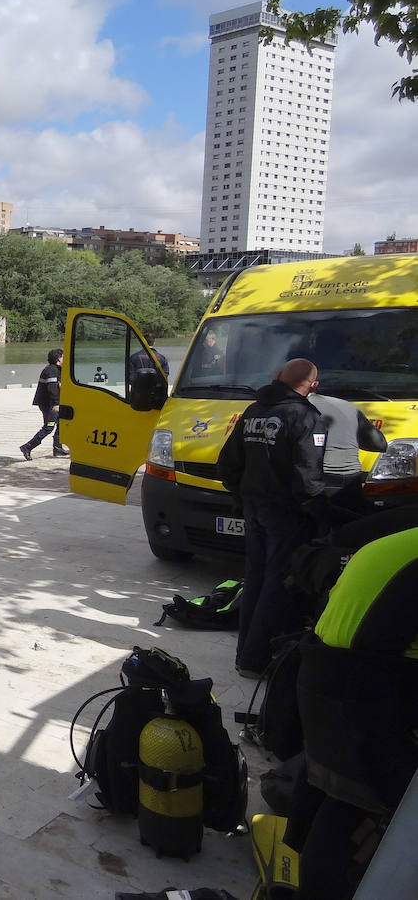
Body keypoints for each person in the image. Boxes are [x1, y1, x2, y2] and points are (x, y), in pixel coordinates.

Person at [289, 526, 418, 899]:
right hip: (366, 689)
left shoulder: (398, 538)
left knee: (341, 797)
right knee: (373, 804)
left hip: (318, 673)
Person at [217, 358, 328, 676]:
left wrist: (242, 498)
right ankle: (256, 660)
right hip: (285, 514)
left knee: (254, 577)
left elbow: (227, 464)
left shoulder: (253, 411)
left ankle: (243, 654)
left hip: (254, 509)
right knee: (276, 584)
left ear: (277, 376)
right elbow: (308, 477)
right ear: (313, 386)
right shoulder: (305, 416)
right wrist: (320, 514)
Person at [308, 392, 386, 520]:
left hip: (309, 481)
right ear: (314, 385)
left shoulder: (279, 410)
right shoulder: (344, 405)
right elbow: (380, 444)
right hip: (348, 479)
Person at [19, 349, 68, 460]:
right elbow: (52, 389)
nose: (65, 359)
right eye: (63, 357)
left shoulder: (58, 369)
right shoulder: (51, 371)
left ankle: (58, 448)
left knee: (62, 423)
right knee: (48, 427)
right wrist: (56, 404)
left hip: (54, 403)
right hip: (48, 404)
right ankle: (27, 447)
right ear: (58, 359)